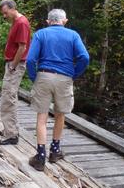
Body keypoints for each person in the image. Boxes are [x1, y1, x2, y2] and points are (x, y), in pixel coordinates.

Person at [26, 9, 90, 171]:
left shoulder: (41, 34)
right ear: (65, 21)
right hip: (65, 78)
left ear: (48, 21)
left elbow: (31, 59)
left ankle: (40, 157)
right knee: (60, 115)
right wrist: (74, 74)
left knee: (42, 116)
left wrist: (35, 78)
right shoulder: (73, 35)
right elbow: (85, 57)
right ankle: (55, 152)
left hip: (44, 76)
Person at [0, 0, 31, 145]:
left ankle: (11, 135)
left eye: (5, 13)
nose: (4, 16)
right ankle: (9, 129)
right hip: (12, 64)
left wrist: (13, 66)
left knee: (8, 99)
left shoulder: (22, 23)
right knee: (9, 97)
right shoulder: (16, 22)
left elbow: (22, 47)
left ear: (12, 8)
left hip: (15, 65)